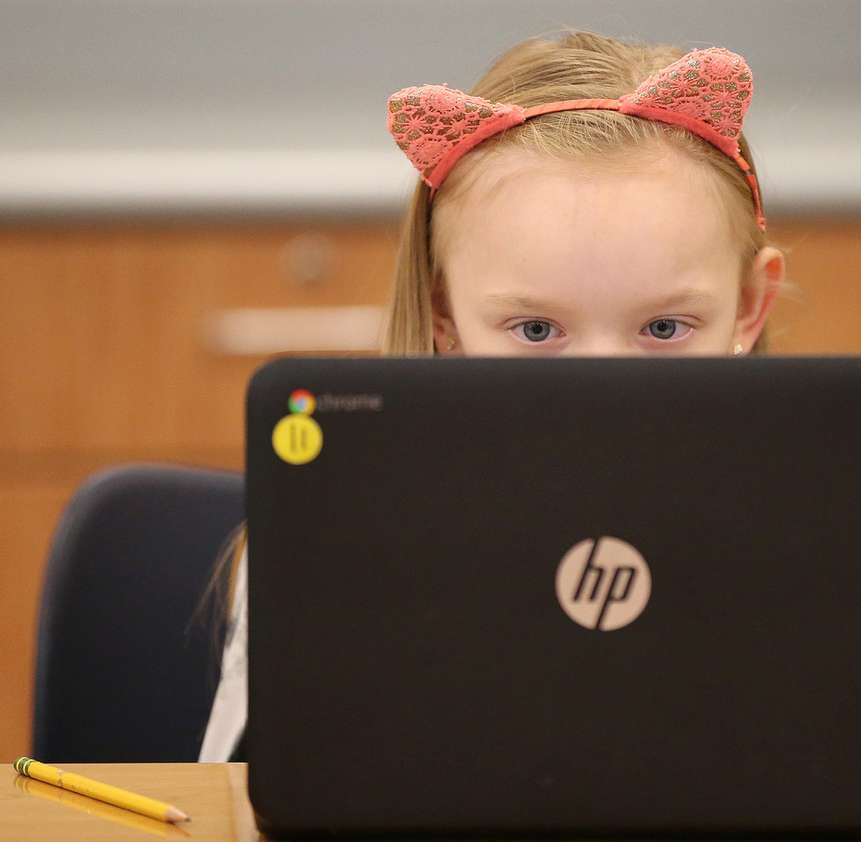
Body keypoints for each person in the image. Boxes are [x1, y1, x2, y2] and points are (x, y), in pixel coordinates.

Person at [197, 29, 789, 762]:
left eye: (663, 326)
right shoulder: (334, 527)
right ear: (445, 316)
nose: (598, 389)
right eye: (537, 328)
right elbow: (251, 794)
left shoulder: (822, 520)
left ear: (750, 307)